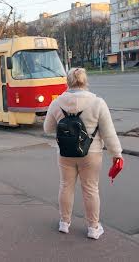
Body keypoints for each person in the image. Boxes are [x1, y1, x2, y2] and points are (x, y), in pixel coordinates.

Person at [44, 68, 122, 240]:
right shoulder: (97, 102)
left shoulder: (57, 103)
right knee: (91, 190)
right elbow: (109, 133)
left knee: (65, 186)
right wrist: (117, 154)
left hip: (65, 154)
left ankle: (64, 223)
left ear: (68, 82)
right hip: (91, 153)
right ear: (85, 81)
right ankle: (93, 228)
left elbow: (47, 128)